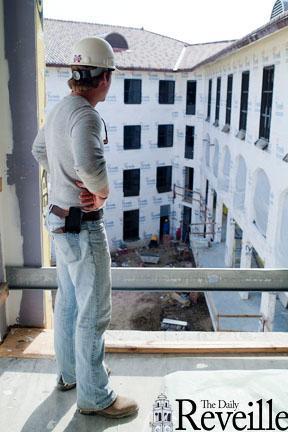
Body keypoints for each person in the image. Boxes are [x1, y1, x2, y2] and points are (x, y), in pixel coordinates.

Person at [32, 36, 138, 419]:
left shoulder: (61, 109)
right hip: (82, 226)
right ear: (104, 78)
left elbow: (39, 151)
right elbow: (92, 169)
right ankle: (95, 396)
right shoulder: (87, 115)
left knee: (70, 303)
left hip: (60, 221)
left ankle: (71, 375)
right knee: (93, 311)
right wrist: (103, 194)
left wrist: (61, 178)